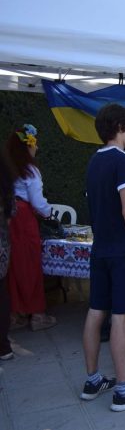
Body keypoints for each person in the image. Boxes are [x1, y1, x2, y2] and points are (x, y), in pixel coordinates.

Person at [81, 104, 125, 411]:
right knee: (122, 318)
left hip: (100, 248)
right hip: (121, 251)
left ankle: (93, 379)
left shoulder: (93, 161)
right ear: (121, 127)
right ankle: (124, 391)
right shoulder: (123, 159)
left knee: (96, 312)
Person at [5, 124, 57, 331]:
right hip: (24, 219)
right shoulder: (30, 170)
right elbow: (37, 202)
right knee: (30, 264)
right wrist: (48, 213)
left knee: (12, 266)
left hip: (7, 218)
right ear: (29, 145)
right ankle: (37, 315)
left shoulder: (7, 169)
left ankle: (15, 314)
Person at [0, 150, 17, 360]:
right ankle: (3, 346)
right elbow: (11, 215)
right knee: (1, 294)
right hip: (2, 245)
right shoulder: (6, 181)